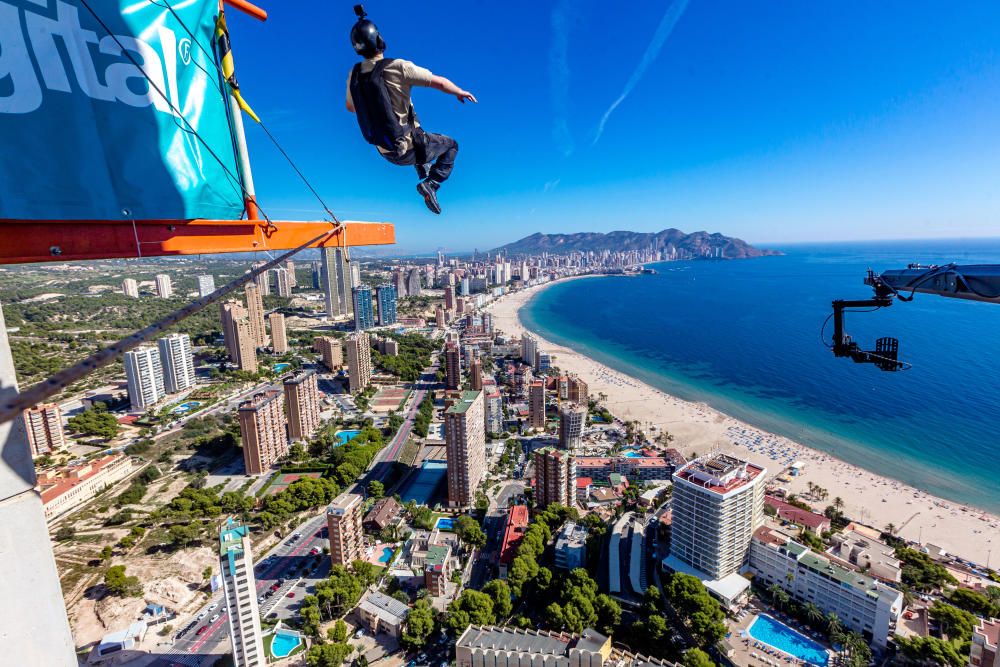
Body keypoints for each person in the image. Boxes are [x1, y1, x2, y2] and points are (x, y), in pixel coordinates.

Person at [346, 7, 476, 214]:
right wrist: (459, 91)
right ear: (379, 40)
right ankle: (431, 184)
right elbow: (439, 82)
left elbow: (351, 107)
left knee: (415, 130)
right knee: (451, 145)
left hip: (385, 152)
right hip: (408, 147)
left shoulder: (354, 75)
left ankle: (422, 165)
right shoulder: (398, 67)